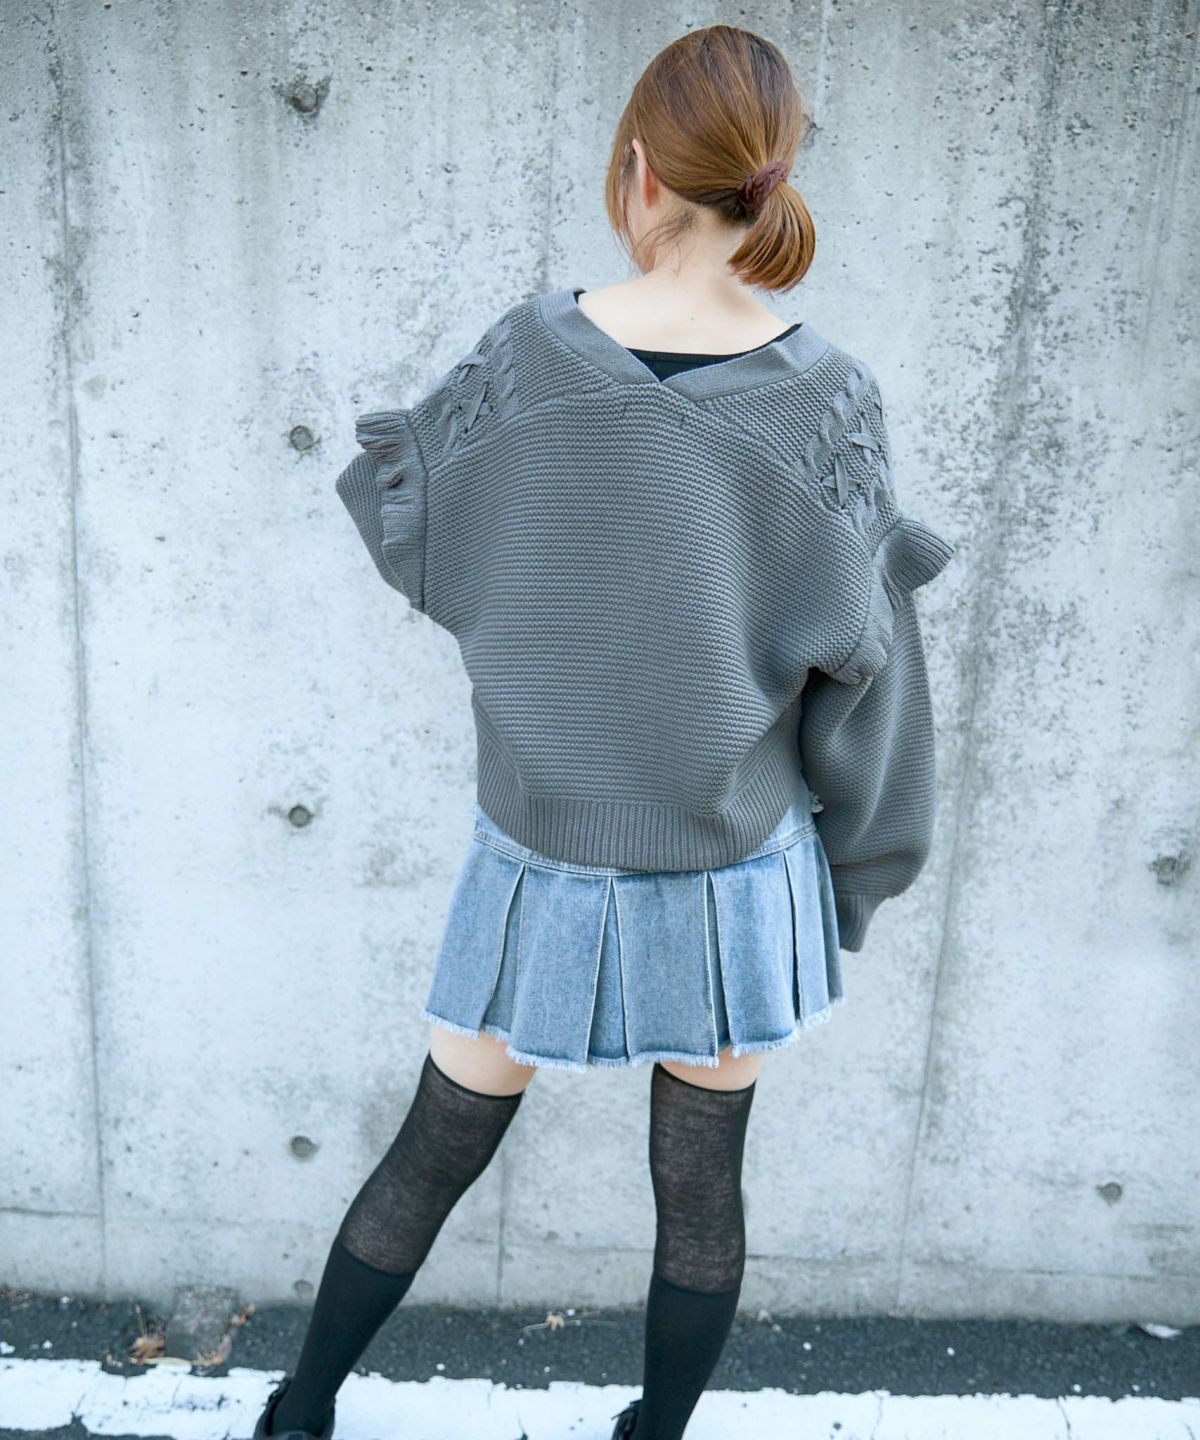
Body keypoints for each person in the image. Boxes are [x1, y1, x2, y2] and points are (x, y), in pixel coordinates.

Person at [253, 22, 956, 1440]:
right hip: (739, 874)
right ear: (772, 177)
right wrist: (863, 871)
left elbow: (405, 518)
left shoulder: (531, 353)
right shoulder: (830, 400)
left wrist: (553, 606)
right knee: (700, 1190)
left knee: (433, 1151)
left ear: (636, 169)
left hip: (539, 859)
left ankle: (299, 1417)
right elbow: (869, 674)